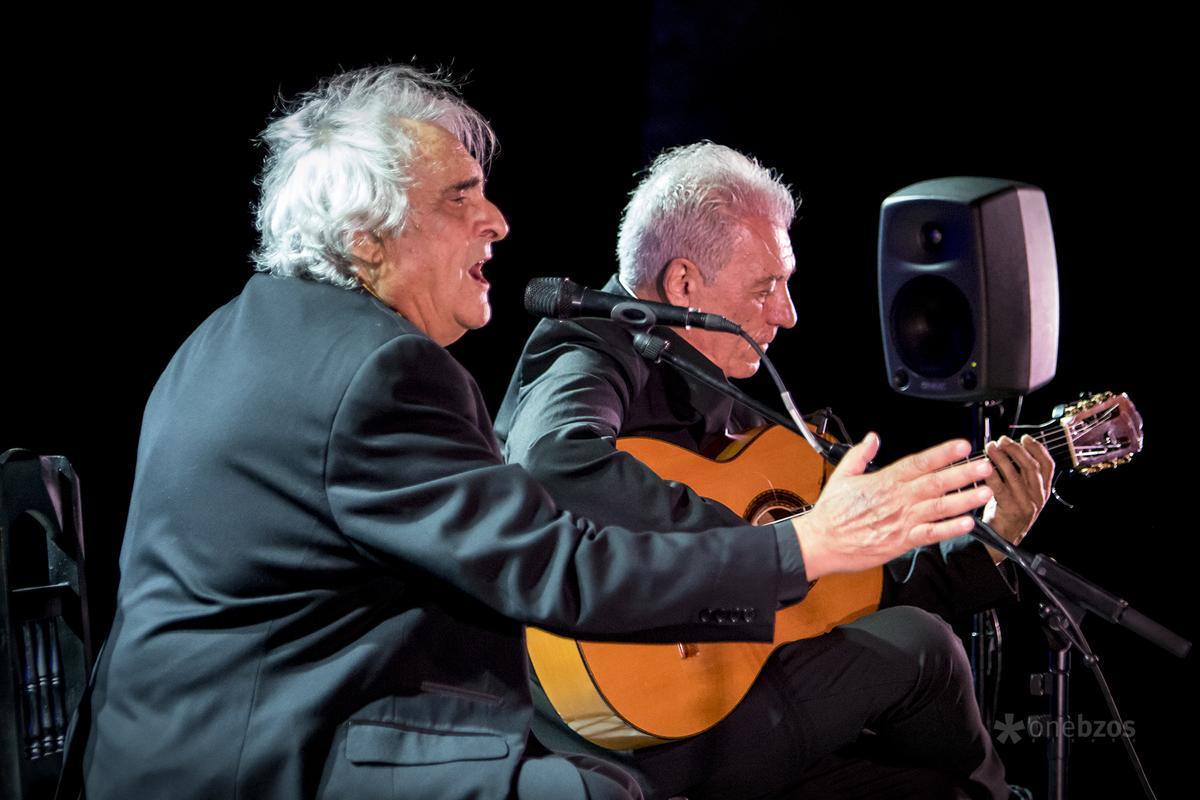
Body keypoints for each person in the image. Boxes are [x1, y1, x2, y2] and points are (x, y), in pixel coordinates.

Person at [76, 68, 997, 800]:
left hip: (169, 742)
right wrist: (804, 545)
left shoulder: (234, 332)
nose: (499, 221)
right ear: (367, 238)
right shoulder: (380, 372)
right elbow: (563, 568)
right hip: (267, 757)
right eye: (460, 198)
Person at [495, 142, 1055, 799]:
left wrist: (983, 549)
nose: (787, 314)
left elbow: (845, 589)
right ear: (682, 285)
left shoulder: (728, 395)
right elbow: (553, 465)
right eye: (767, 288)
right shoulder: (589, 354)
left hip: (735, 698)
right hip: (640, 737)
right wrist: (774, 549)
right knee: (922, 647)